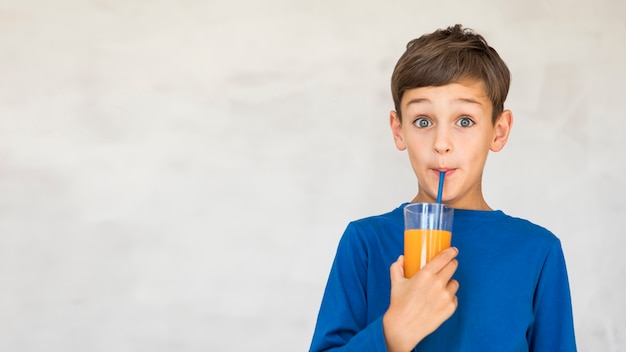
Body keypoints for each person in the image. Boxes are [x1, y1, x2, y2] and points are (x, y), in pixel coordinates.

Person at [309, 24, 576, 351]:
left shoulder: (538, 252)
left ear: (499, 130)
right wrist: (395, 331)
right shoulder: (364, 242)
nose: (442, 144)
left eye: (465, 121)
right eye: (423, 121)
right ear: (398, 130)